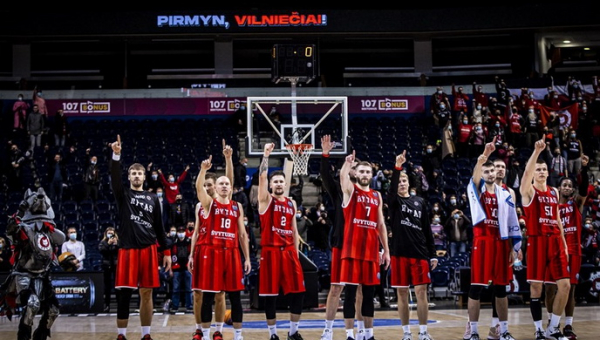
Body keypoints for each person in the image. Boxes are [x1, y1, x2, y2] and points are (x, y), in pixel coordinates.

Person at [110, 134, 171, 340]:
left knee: (147, 294)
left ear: (145, 177)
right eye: (133, 173)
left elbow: (160, 228)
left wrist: (167, 252)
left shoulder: (153, 198)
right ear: (129, 177)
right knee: (124, 295)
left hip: (149, 250)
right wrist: (116, 156)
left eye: (139, 173)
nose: (136, 176)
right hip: (127, 249)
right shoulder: (123, 195)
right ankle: (121, 335)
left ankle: (146, 335)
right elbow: (114, 178)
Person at [464, 137, 522, 340]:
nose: (490, 173)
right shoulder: (477, 189)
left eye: (493, 171)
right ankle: (473, 331)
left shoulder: (504, 194)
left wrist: (514, 246)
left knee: (501, 289)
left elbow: (512, 220)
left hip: (500, 243)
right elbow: (475, 175)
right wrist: (486, 154)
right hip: (482, 241)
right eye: (486, 171)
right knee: (476, 287)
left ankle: (502, 330)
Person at [520, 135, 571, 340]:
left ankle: (554, 328)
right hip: (537, 240)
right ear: (533, 173)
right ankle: (539, 329)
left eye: (543, 169)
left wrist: (565, 245)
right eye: (537, 169)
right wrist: (537, 152)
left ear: (548, 172)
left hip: (556, 241)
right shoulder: (528, 191)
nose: (540, 172)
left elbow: (558, 218)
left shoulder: (554, 191)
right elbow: (525, 173)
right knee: (536, 288)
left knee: (565, 286)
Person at [196, 153, 251, 340]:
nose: (225, 186)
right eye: (221, 183)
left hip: (233, 254)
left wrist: (247, 258)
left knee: (235, 298)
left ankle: (238, 335)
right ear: (216, 188)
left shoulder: (237, 206)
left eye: (227, 183)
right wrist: (203, 170)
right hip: (213, 253)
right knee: (208, 297)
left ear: (231, 187)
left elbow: (243, 234)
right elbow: (198, 189)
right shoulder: (209, 204)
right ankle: (204, 334)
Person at [0, 187, 66, 340]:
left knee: (54, 310)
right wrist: (21, 211)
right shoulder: (22, 230)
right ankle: (24, 334)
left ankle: (41, 335)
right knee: (33, 303)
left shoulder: (49, 231)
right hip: (24, 274)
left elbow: (60, 239)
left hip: (43, 275)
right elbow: (10, 230)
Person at [339, 149, 390, 340]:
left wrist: (386, 249)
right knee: (350, 294)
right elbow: (343, 180)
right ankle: (350, 335)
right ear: (356, 173)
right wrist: (347, 164)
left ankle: (369, 335)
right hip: (352, 251)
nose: (365, 175)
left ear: (372, 175)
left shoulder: (377, 195)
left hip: (370, 252)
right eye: (361, 171)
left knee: (369, 295)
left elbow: (381, 224)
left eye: (368, 172)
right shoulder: (351, 191)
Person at [319, 135, 366, 340]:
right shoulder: (339, 192)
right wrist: (325, 154)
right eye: (350, 166)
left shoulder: (369, 194)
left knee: (360, 291)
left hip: (361, 246)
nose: (353, 169)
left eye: (356, 166)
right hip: (341, 244)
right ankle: (328, 330)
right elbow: (325, 176)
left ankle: (360, 329)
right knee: (336, 288)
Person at [258, 143, 306, 340]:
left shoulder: (291, 203)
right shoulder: (265, 200)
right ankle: (273, 334)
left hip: (289, 251)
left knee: (299, 292)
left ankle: (293, 332)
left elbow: (294, 230)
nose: (278, 184)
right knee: (270, 295)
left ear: (286, 185)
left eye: (281, 181)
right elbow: (262, 177)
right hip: (270, 251)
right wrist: (266, 156)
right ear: (270, 185)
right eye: (275, 181)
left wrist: (295, 251)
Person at [387, 150, 437, 340]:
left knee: (421, 292)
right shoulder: (393, 201)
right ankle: (406, 333)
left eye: (404, 181)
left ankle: (423, 332)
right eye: (399, 181)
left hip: (419, 253)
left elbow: (427, 229)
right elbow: (391, 190)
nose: (401, 183)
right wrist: (397, 167)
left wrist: (432, 254)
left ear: (409, 183)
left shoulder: (420, 202)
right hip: (399, 253)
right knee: (401, 293)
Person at [188, 140, 233, 340]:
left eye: (209, 185)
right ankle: (199, 328)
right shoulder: (200, 206)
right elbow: (196, 232)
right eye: (204, 185)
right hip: (202, 250)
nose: (206, 187)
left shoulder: (222, 202)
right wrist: (190, 254)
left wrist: (227, 159)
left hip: (220, 249)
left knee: (219, 294)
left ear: (215, 186)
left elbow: (230, 179)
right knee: (198, 293)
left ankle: (218, 330)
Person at [545, 155, 589, 340]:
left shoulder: (576, 205)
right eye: (565, 185)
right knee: (549, 288)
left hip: (572, 250)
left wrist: (584, 169)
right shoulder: (551, 205)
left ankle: (568, 325)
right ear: (559, 188)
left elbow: (585, 189)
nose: (567, 188)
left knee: (570, 289)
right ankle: (550, 322)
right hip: (553, 250)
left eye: (570, 186)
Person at [169, 226, 193, 313]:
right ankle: (175, 306)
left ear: (185, 232)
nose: (181, 233)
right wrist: (171, 269)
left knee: (189, 289)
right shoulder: (174, 243)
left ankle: (189, 306)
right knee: (175, 289)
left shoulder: (189, 241)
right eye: (179, 231)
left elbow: (192, 255)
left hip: (187, 268)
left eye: (182, 231)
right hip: (176, 269)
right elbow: (171, 256)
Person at [99, 226, 120, 312]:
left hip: (116, 265)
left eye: (112, 233)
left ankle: (119, 304)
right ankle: (107, 305)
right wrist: (108, 243)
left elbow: (121, 250)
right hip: (106, 265)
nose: (110, 235)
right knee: (107, 286)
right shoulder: (103, 242)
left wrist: (116, 244)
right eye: (109, 233)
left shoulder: (117, 242)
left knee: (117, 286)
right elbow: (101, 250)